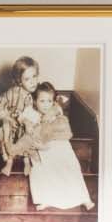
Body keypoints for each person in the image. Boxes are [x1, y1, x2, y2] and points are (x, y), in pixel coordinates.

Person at [20, 84, 92, 214]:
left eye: (49, 101)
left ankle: (83, 198)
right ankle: (46, 198)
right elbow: (28, 128)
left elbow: (62, 131)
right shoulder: (32, 114)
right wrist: (28, 126)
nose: (46, 105)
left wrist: (49, 140)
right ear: (35, 101)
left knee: (71, 166)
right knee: (39, 167)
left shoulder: (56, 112)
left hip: (59, 145)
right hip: (42, 148)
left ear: (53, 101)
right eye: (42, 101)